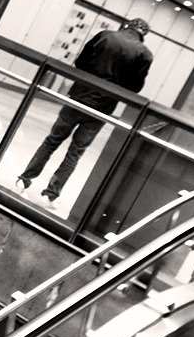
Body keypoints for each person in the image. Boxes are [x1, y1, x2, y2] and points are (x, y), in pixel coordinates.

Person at [16, 18, 153, 202]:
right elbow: (135, 87)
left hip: (79, 97)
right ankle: (51, 193)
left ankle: (25, 179)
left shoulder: (105, 36)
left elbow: (81, 62)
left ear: (127, 26)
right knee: (76, 151)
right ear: (144, 34)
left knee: (52, 140)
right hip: (103, 108)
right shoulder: (144, 54)